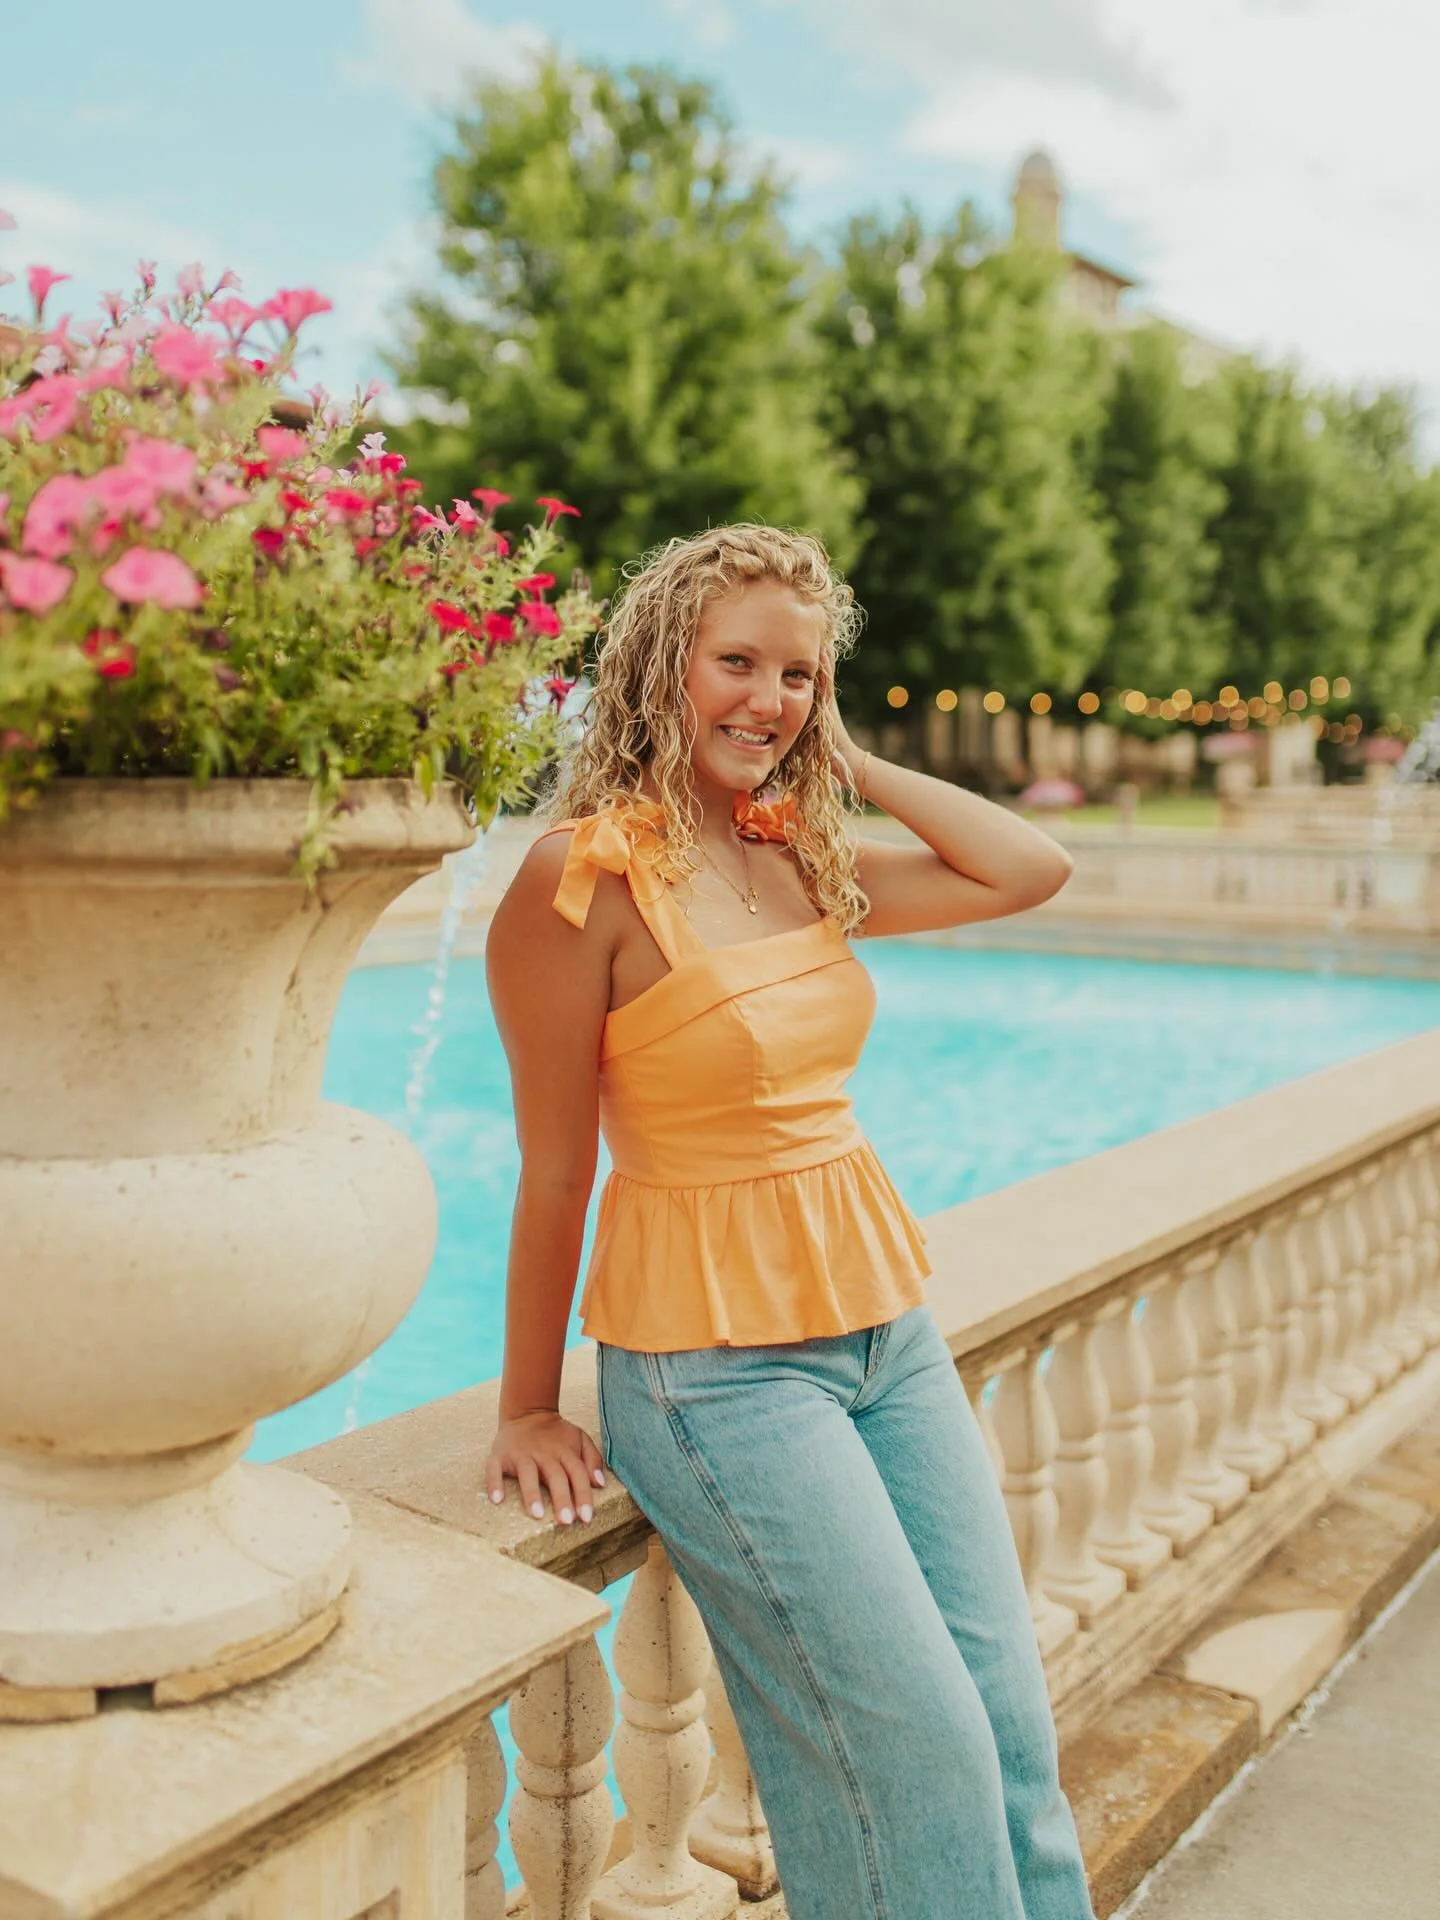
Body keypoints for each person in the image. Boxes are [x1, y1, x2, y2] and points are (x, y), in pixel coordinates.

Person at [484, 524, 1093, 1920]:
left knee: (1005, 1722)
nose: (767, 698)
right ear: (659, 667)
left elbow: (1028, 868)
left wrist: (840, 762)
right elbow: (553, 1169)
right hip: (718, 1378)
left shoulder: (799, 856)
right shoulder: (582, 881)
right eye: (736, 664)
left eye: (801, 676)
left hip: (885, 1331)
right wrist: (526, 1404)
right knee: (917, 1753)